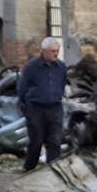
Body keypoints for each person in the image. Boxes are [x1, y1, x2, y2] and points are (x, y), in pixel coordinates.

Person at [18, 37, 68, 172]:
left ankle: (53, 170)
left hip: (55, 108)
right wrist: (25, 108)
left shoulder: (61, 67)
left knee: (55, 141)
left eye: (57, 51)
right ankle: (29, 168)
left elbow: (62, 84)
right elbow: (22, 88)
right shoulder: (32, 66)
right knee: (36, 141)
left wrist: (57, 97)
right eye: (53, 51)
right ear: (44, 51)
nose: (56, 54)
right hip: (36, 108)